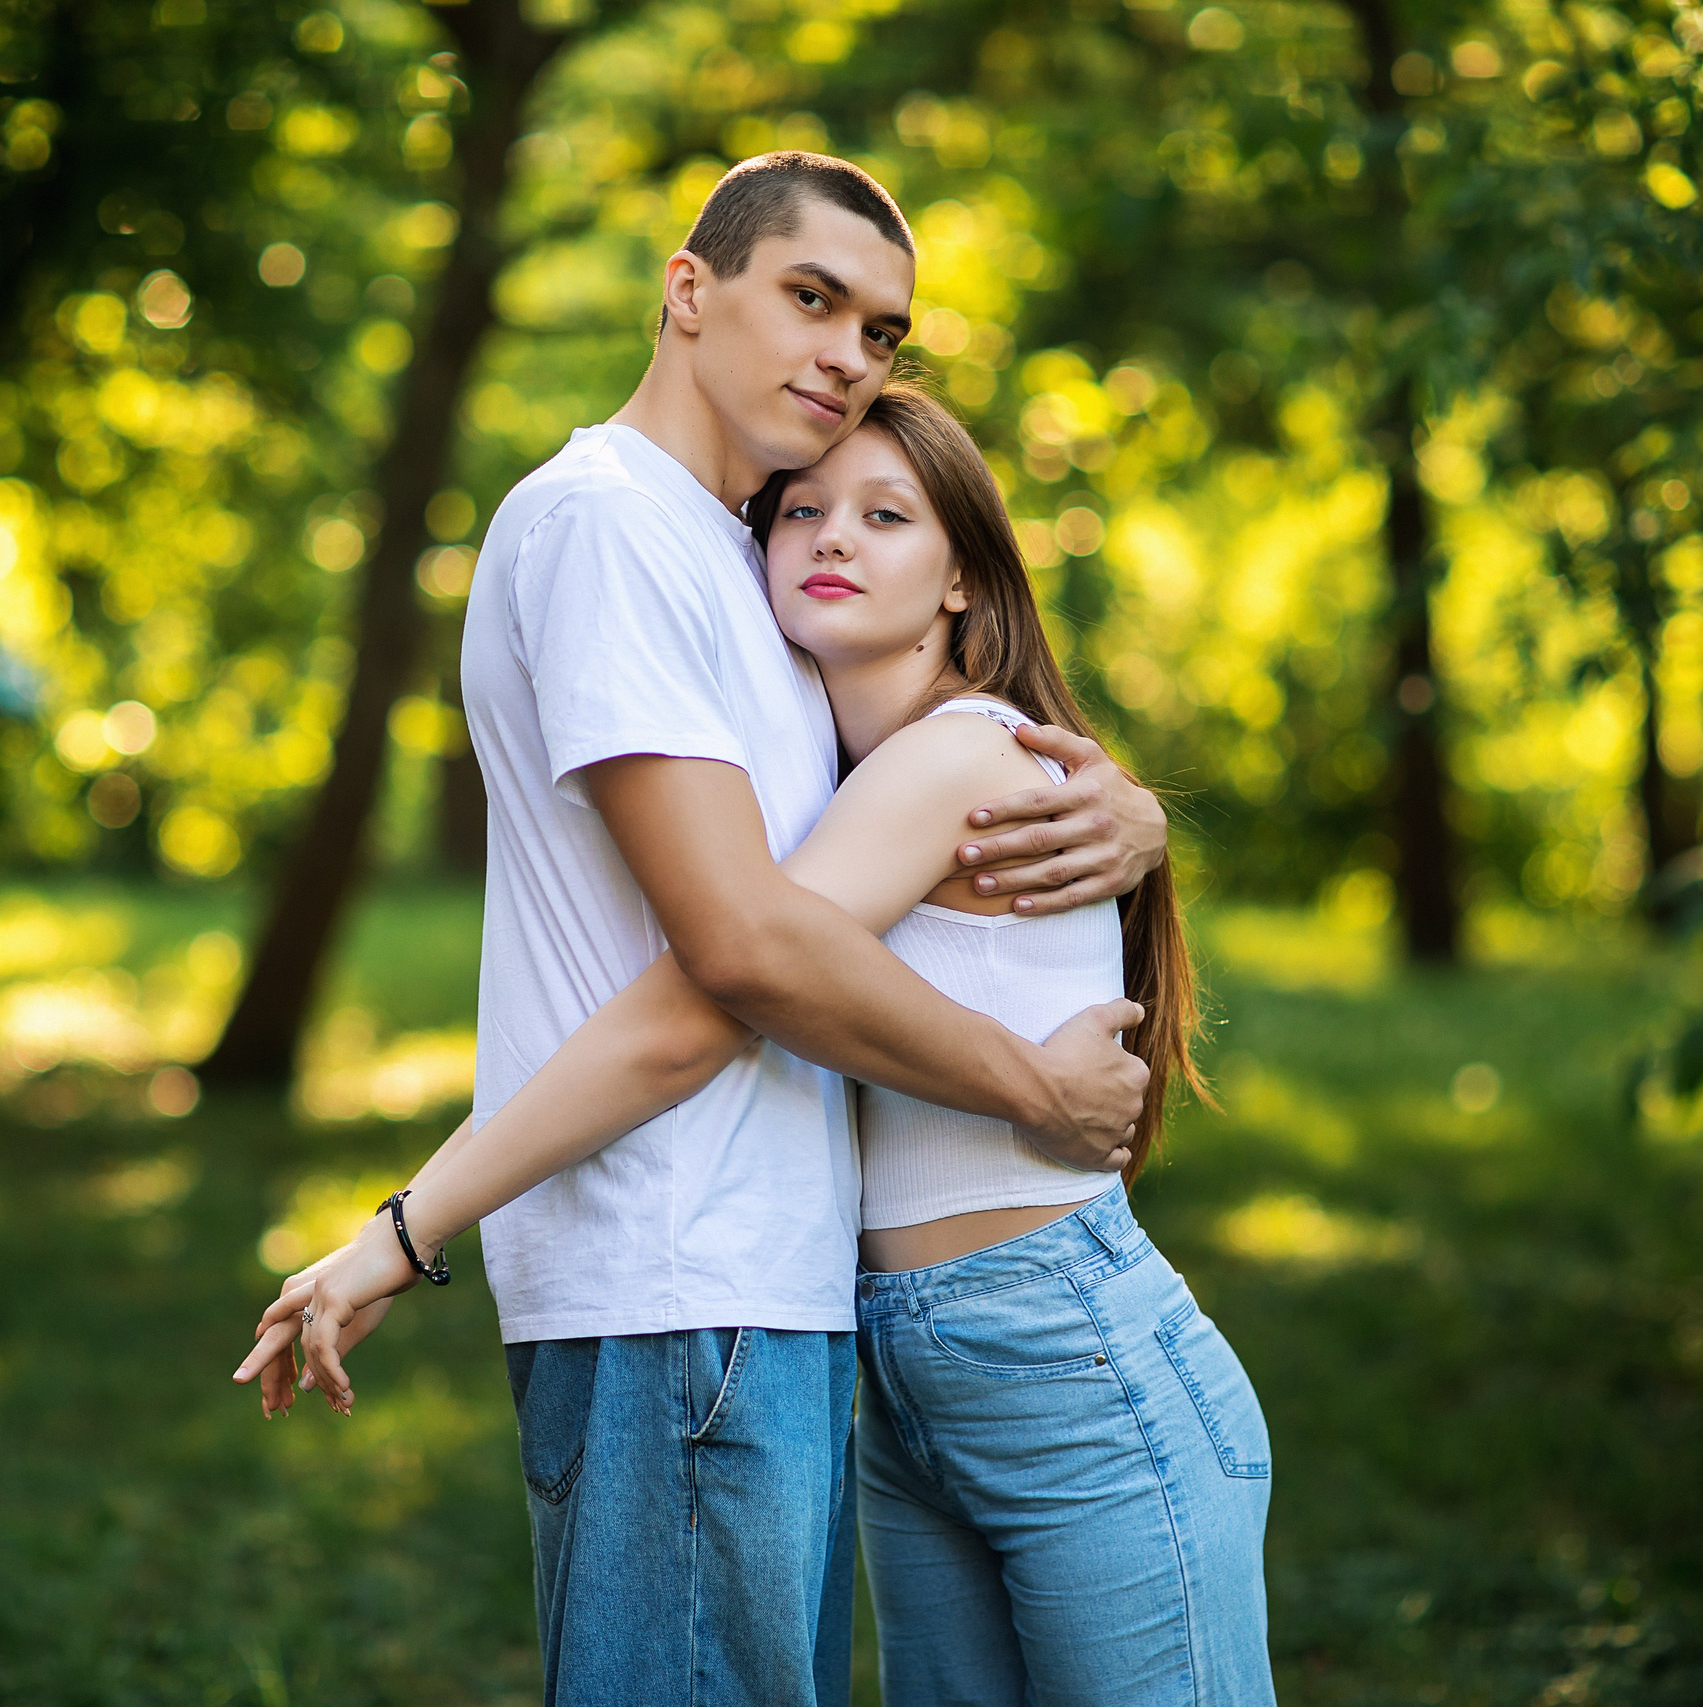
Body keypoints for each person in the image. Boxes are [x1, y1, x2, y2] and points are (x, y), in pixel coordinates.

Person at [236, 154, 1172, 1706]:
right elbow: (742, 948)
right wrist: (1031, 1086)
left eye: (881, 331)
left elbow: (907, 805)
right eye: (811, 297)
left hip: (770, 1290)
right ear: (688, 290)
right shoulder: (610, 527)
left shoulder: (750, 559)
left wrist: (1129, 820)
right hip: (670, 1281)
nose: (846, 354)